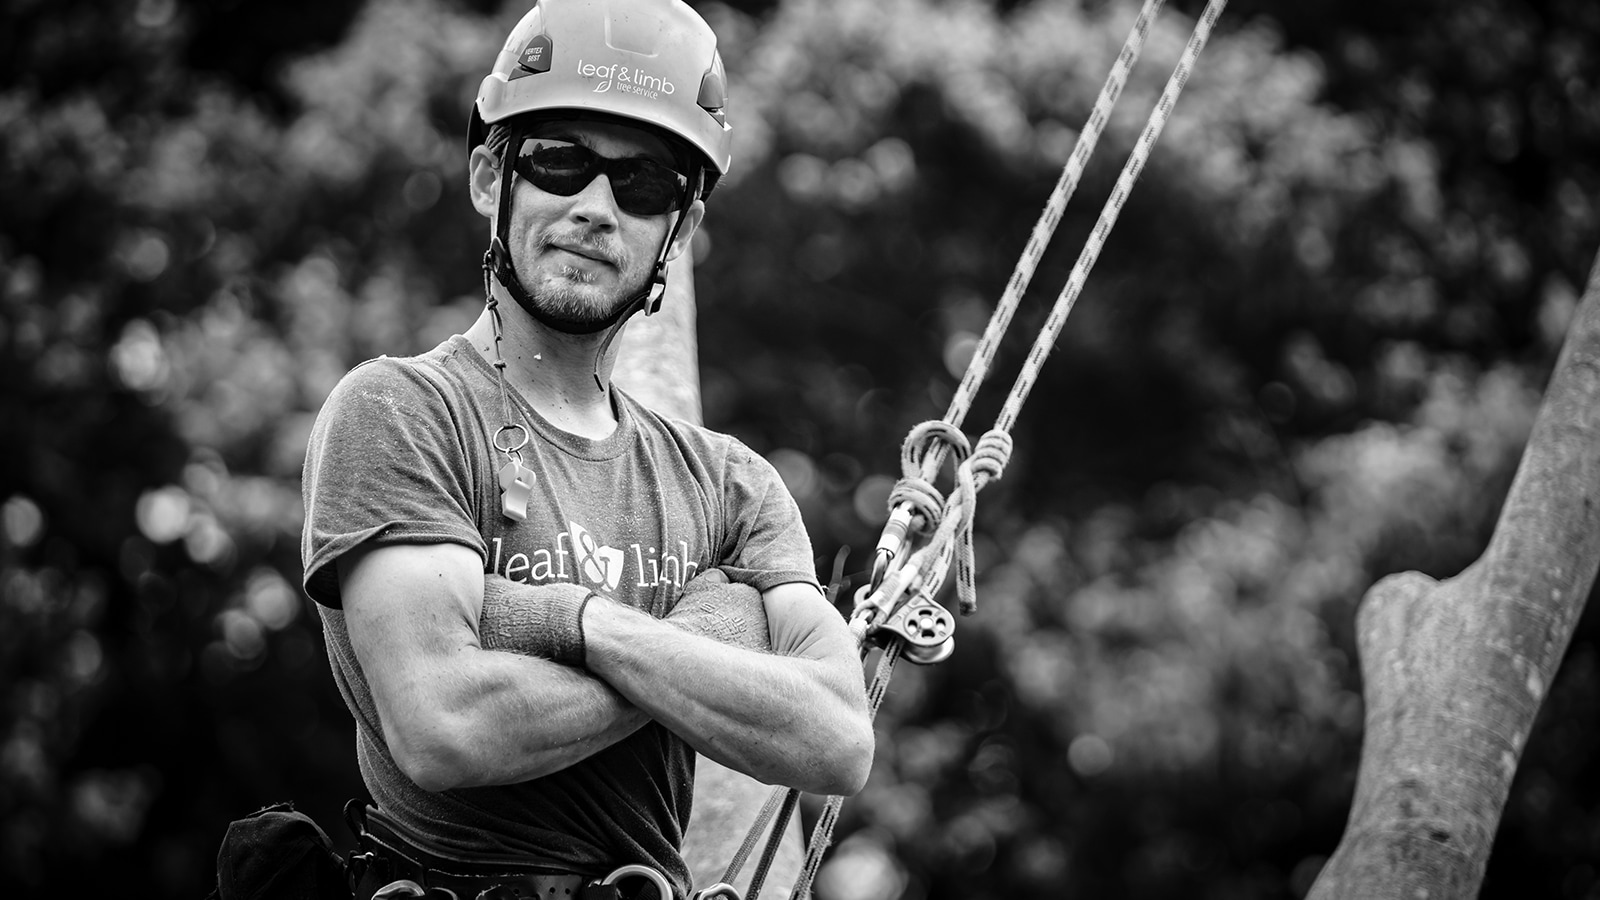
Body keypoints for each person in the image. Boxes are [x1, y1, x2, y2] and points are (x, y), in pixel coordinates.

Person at [297, 1, 875, 898]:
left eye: (643, 184)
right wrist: (693, 639)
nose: (595, 209)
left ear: (676, 234)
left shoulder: (731, 487)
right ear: (495, 177)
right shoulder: (403, 412)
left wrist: (552, 622)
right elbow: (444, 725)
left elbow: (834, 738)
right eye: (562, 163)